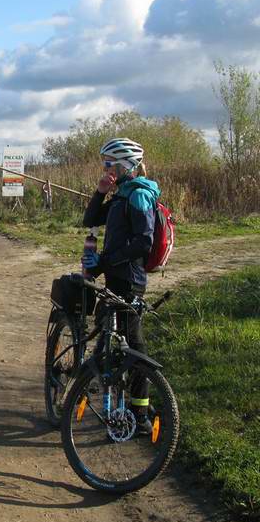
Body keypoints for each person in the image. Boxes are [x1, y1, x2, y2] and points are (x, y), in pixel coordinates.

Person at [81, 138, 159, 431]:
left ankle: (140, 412)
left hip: (130, 280)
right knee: (106, 331)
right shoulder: (121, 195)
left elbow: (143, 242)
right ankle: (98, 386)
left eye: (108, 164)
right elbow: (89, 219)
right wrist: (100, 192)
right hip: (114, 276)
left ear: (125, 165)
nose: (104, 168)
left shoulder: (138, 195)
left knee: (134, 344)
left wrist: (106, 260)